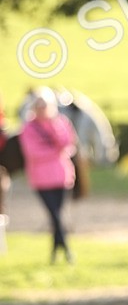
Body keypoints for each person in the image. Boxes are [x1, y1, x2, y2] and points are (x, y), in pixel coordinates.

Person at [19, 87, 78, 262]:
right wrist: (56, 151)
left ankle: (56, 252)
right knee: (55, 214)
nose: (42, 109)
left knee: (57, 214)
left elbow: (69, 143)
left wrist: (54, 129)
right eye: (39, 106)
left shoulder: (60, 122)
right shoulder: (29, 128)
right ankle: (66, 249)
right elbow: (33, 153)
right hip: (41, 179)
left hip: (61, 176)